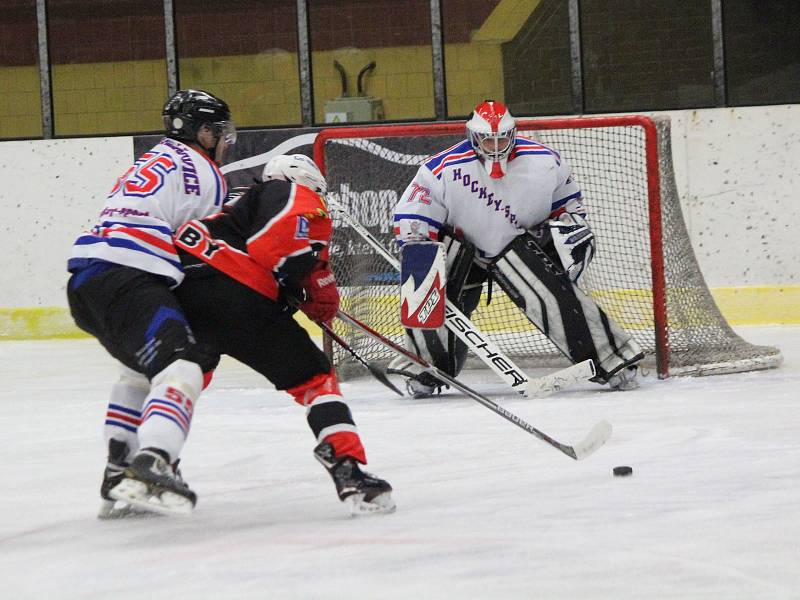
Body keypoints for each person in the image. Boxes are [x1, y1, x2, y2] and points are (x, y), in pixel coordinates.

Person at [170, 153, 394, 516]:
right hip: (238, 295)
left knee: (183, 379)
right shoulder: (289, 192)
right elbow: (279, 248)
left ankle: (144, 462)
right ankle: (347, 468)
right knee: (316, 381)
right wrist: (301, 283)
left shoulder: (224, 205)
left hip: (182, 295)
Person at [392, 99, 644, 397]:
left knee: (559, 298)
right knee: (422, 267)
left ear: (513, 133)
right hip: (463, 253)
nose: (495, 145)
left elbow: (568, 206)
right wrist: (417, 244)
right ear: (472, 136)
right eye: (487, 138)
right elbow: (413, 214)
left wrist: (570, 227)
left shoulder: (545, 160)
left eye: (502, 138)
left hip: (522, 250)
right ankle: (427, 368)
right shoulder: (440, 168)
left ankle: (613, 360)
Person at [67, 89, 237, 516]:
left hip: (86, 282)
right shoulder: (206, 173)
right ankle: (154, 461)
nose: (222, 139)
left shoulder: (151, 159)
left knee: (137, 372)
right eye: (217, 131)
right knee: (184, 368)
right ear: (201, 132)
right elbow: (204, 248)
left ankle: (117, 471)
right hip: (130, 278)